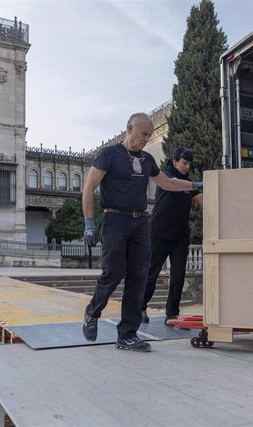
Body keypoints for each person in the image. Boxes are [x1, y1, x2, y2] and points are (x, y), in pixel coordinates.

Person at [81, 113, 202, 352]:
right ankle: (92, 312)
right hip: (115, 220)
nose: (146, 139)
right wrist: (89, 223)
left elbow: (168, 182)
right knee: (113, 272)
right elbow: (89, 187)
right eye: (143, 134)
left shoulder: (147, 160)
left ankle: (127, 335)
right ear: (129, 128)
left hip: (141, 223)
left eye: (149, 135)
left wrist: (195, 185)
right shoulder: (110, 155)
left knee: (138, 278)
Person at [141, 147, 202, 325]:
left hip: (180, 237)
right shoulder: (166, 176)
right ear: (175, 162)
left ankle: (172, 314)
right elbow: (172, 182)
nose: (187, 166)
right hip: (159, 233)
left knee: (178, 276)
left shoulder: (190, 184)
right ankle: (141, 307)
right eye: (184, 162)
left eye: (189, 163)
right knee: (151, 273)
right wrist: (194, 185)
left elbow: (202, 201)